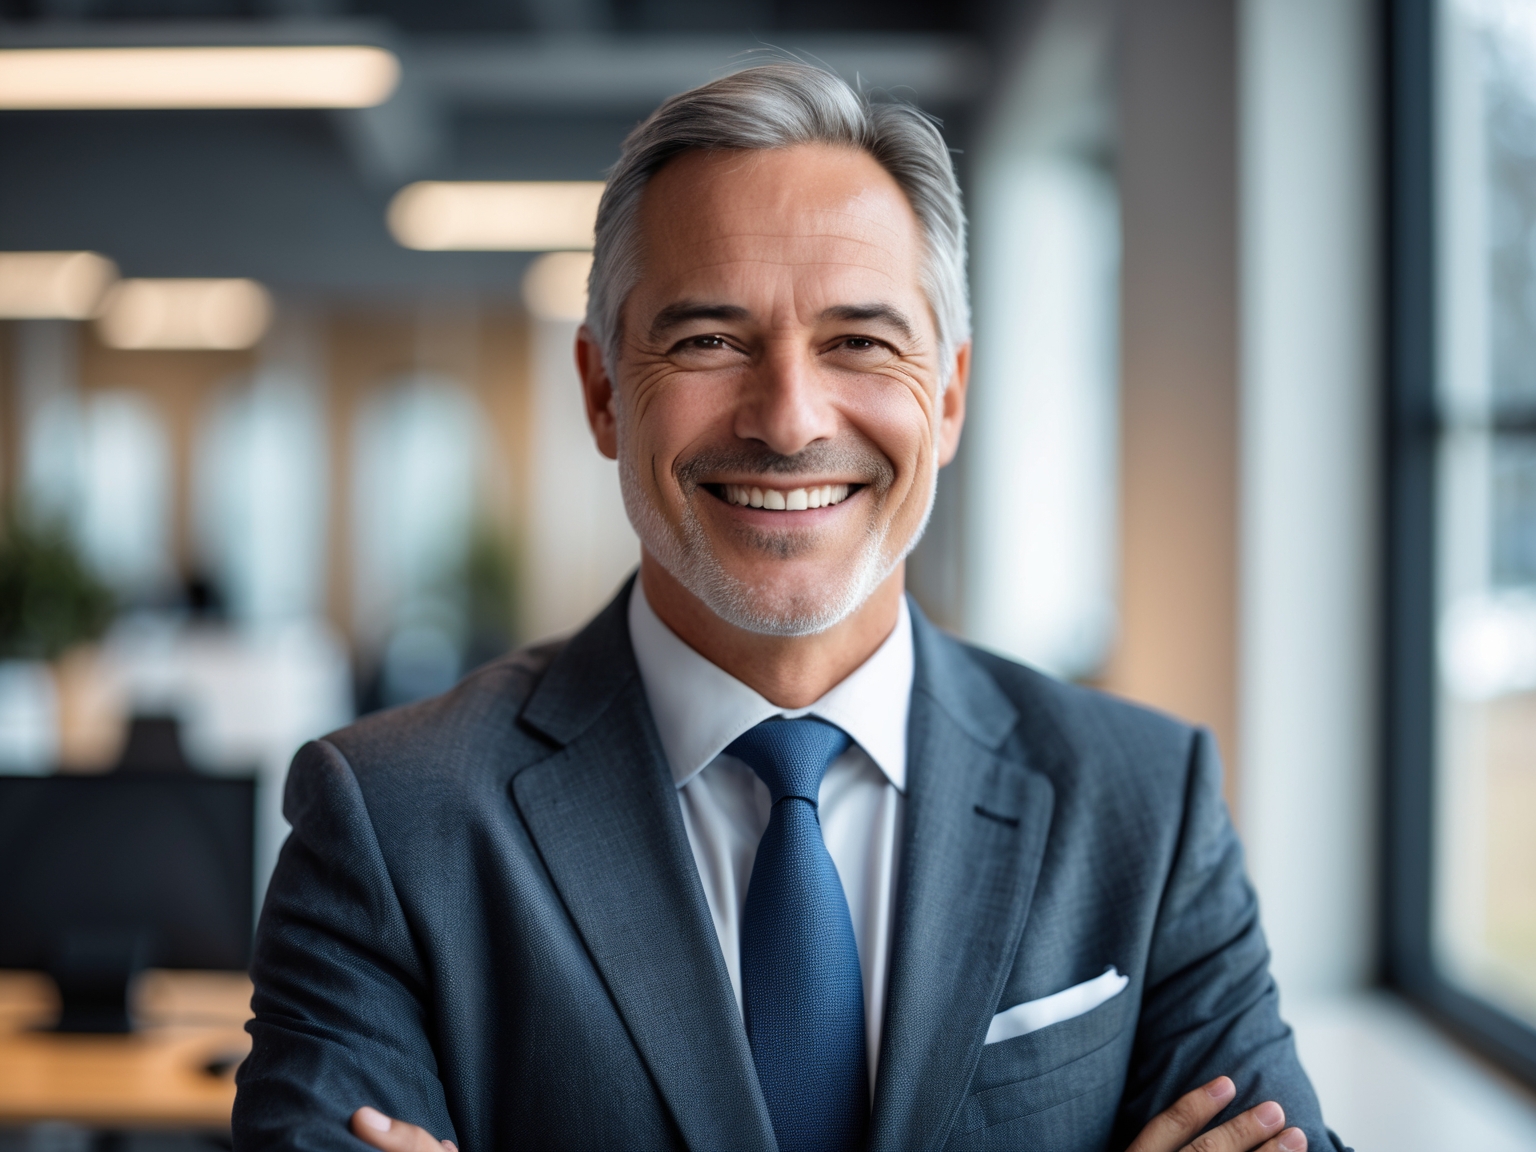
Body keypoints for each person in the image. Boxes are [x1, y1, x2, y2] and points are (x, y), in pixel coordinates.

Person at [234, 62, 1346, 1152]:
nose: (788, 417)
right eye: (709, 340)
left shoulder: (1144, 808)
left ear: (948, 395)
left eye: (859, 341)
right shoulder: (388, 821)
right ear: (602, 392)